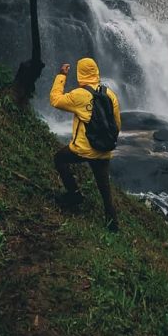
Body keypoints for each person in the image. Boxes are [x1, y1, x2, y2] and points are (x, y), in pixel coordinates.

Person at [49, 57, 122, 232]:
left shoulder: (80, 94)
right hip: (104, 149)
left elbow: (56, 100)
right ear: (96, 71)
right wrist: (107, 141)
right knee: (105, 189)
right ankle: (113, 225)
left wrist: (61, 75)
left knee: (59, 159)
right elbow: (117, 123)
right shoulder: (109, 94)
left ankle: (74, 195)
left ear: (80, 73)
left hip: (83, 149)